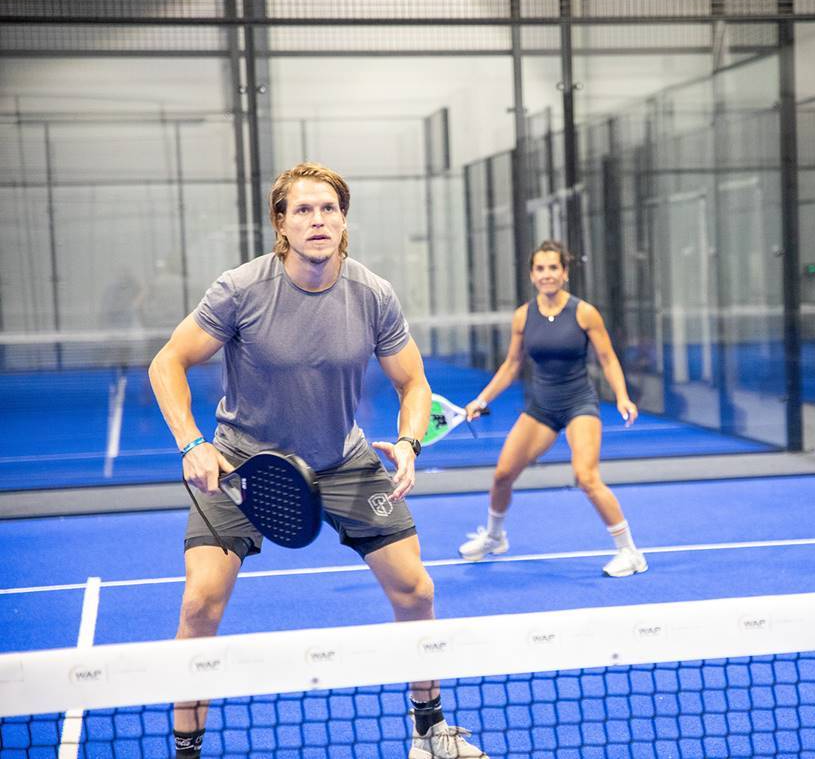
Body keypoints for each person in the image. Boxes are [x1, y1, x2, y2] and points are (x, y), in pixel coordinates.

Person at [148, 163, 486, 759]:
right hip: (241, 468)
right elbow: (167, 363)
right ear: (281, 223)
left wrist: (409, 443)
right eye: (302, 210)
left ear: (343, 219)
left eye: (328, 208)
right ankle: (186, 751)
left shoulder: (372, 293)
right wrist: (192, 443)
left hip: (342, 461)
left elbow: (414, 384)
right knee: (200, 603)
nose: (317, 219)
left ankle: (430, 730)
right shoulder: (240, 290)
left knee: (416, 591)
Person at [458, 240, 648, 578]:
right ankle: (494, 537)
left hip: (579, 404)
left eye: (553, 268)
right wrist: (482, 399)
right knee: (502, 475)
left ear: (565, 273)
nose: (547, 275)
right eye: (540, 269)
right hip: (541, 408)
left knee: (587, 478)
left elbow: (607, 358)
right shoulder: (523, 315)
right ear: (532, 275)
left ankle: (630, 553)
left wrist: (622, 395)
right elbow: (511, 365)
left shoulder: (584, 313)